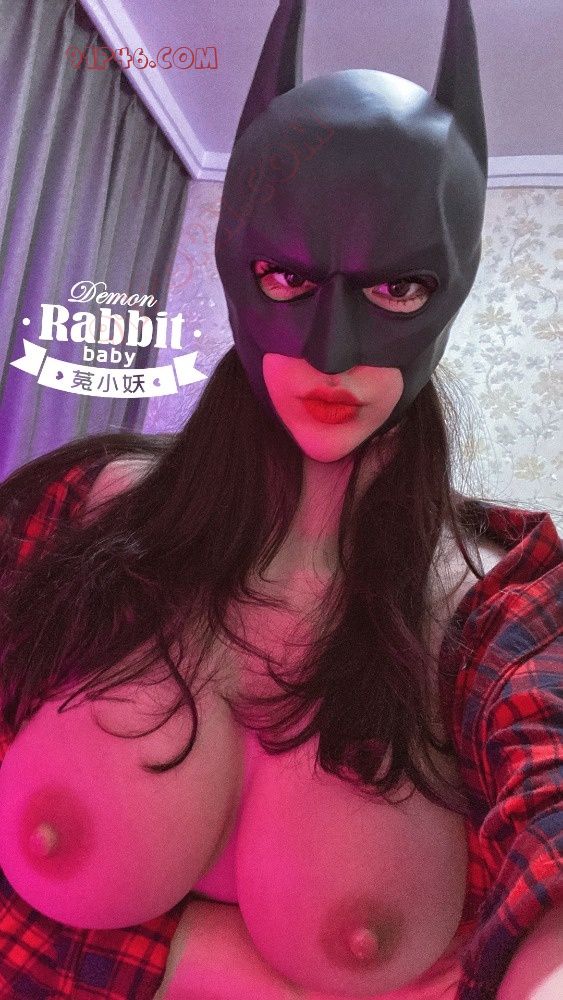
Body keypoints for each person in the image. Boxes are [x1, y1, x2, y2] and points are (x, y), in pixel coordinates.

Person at [0, 1, 561, 998]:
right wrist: (205, 966)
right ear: (236, 265)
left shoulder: (501, 611)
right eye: (285, 277)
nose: (330, 353)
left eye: (395, 289)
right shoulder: (70, 513)